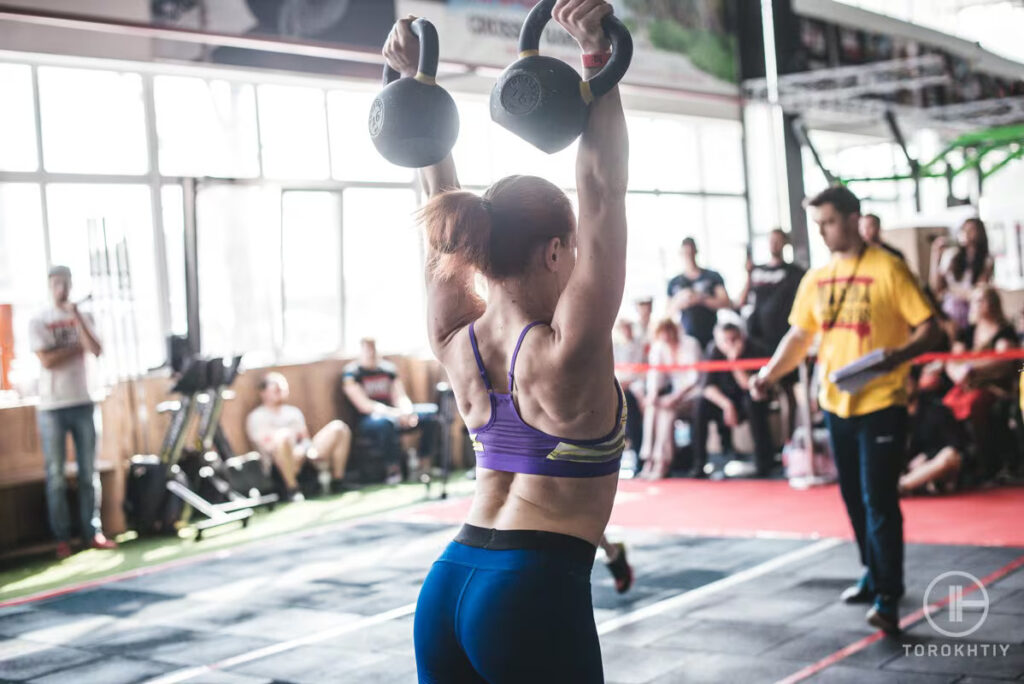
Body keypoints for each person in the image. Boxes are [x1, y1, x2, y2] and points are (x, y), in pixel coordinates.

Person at [392, 2, 629, 679]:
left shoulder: (454, 338)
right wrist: (595, 59)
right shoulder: (567, 351)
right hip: (530, 592)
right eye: (575, 249)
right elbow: (604, 193)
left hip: (448, 587)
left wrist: (418, 91)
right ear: (556, 252)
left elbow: (443, 222)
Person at [751, 185, 940, 635]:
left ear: (854, 218)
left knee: (879, 498)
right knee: (854, 499)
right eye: (818, 225)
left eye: (829, 222)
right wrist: (769, 374)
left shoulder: (889, 269)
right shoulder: (816, 278)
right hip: (837, 404)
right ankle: (873, 572)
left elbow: (931, 330)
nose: (823, 232)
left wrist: (894, 357)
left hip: (882, 402)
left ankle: (889, 596)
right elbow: (799, 337)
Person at [30, 266, 117, 559]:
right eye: (56, 283)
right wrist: (73, 346)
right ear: (49, 285)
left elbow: (96, 348)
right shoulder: (39, 319)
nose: (61, 288)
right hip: (51, 406)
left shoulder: (84, 316)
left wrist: (77, 317)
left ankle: (92, 532)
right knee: (55, 474)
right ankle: (62, 539)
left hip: (84, 400)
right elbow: (47, 360)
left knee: (88, 472)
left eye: (65, 283)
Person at [342, 337, 441, 482]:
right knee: (385, 423)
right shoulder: (352, 373)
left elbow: (400, 396)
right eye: (367, 349)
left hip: (396, 413)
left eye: (373, 348)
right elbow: (364, 406)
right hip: (369, 419)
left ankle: (424, 463)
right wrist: (395, 414)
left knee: (431, 414)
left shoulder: (388, 369)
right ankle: (393, 469)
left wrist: (407, 411)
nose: (371, 352)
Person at [246, 372, 352, 501]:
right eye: (276, 389)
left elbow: (304, 438)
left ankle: (337, 482)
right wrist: (290, 451)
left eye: (283, 389)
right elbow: (268, 446)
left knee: (339, 428)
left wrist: (302, 450)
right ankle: (292, 490)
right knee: (283, 436)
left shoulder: (293, 412)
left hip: (304, 456)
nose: (281, 392)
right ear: (263, 393)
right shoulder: (257, 417)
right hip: (278, 465)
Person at [691, 322, 775, 478]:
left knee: (753, 403)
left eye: (734, 339)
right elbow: (707, 387)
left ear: (741, 337)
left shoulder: (754, 349)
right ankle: (699, 464)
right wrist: (727, 405)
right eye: (725, 340)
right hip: (724, 401)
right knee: (700, 404)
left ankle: (763, 463)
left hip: (749, 399)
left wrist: (733, 361)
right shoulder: (713, 351)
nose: (730, 344)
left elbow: (748, 385)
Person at [639, 319, 702, 479]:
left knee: (667, 408)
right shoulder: (659, 348)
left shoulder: (690, 344)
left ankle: (663, 461)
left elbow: (695, 378)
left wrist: (676, 396)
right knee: (653, 407)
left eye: (668, 331)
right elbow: (655, 375)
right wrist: (652, 395)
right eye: (662, 332)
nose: (666, 335)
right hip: (674, 395)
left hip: (694, 394)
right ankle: (649, 458)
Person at [736, 228, 806, 354]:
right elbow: (741, 301)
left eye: (778, 241)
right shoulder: (756, 270)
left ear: (785, 243)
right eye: (772, 240)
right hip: (757, 336)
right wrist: (748, 275)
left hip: (782, 335)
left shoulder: (794, 272)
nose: (774, 244)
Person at [667, 237, 730, 350]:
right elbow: (668, 311)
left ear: (696, 252)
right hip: (687, 338)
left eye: (691, 252)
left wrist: (701, 299)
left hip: (712, 335)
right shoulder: (674, 282)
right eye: (685, 253)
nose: (688, 256)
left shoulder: (712, 276)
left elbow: (725, 302)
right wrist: (681, 301)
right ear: (680, 254)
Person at [930, 218, 993, 331]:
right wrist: (936, 256)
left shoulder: (986, 260)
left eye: (972, 230)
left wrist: (952, 291)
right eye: (964, 229)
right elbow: (936, 286)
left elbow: (979, 290)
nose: (967, 233)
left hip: (972, 315)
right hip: (949, 313)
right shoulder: (951, 256)